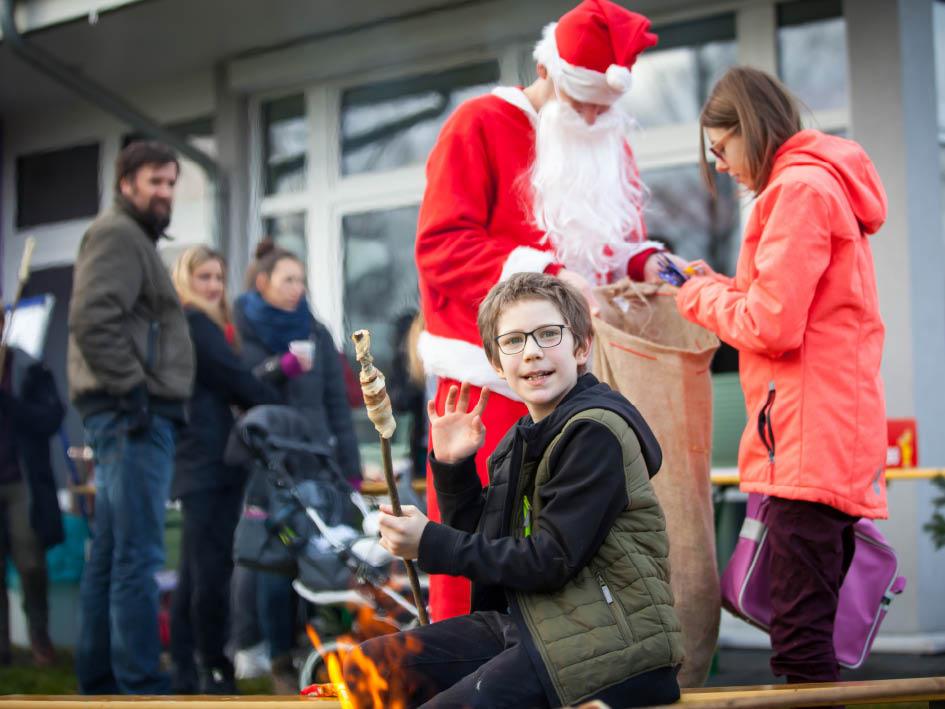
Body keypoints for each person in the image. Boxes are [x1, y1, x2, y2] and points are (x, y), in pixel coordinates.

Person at [414, 0, 686, 620]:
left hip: (585, 380)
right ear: (546, 69)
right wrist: (553, 280)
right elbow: (440, 246)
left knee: (575, 544)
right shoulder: (479, 123)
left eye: (605, 107)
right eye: (584, 101)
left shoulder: (604, 137)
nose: (594, 117)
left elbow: (617, 243)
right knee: (480, 536)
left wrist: (653, 265)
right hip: (493, 381)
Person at [345, 272, 684, 708]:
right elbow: (487, 547)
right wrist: (453, 469)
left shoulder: (596, 432)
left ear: (581, 347)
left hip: (611, 642)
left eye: (548, 334)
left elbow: (549, 559)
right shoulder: (520, 441)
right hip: (533, 626)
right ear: (496, 363)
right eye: (514, 341)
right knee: (366, 671)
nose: (533, 352)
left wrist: (429, 541)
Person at [675, 66, 888, 685]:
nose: (718, 165)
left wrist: (696, 300)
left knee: (798, 645)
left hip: (808, 451)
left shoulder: (796, 192)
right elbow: (778, 305)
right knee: (804, 635)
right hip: (815, 442)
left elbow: (771, 324)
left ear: (752, 127)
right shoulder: (816, 186)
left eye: (721, 148)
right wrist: (710, 286)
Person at [70, 140, 195, 694]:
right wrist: (133, 393)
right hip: (131, 415)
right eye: (154, 182)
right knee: (138, 554)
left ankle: (98, 680)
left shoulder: (132, 238)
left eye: (170, 183)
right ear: (127, 184)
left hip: (127, 412)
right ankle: (140, 683)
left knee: (113, 552)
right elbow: (92, 319)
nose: (165, 193)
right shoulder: (118, 234)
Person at [167, 246, 311, 694]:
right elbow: (234, 378)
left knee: (194, 570)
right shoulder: (194, 322)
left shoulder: (200, 325)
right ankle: (213, 667)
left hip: (205, 461)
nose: (213, 286)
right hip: (208, 462)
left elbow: (233, 379)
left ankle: (188, 670)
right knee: (208, 572)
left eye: (217, 277)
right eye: (203, 277)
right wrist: (272, 394)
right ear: (185, 280)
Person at [233, 239, 361, 692]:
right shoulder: (242, 328)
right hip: (269, 466)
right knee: (276, 558)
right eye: (288, 280)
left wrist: (351, 467)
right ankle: (278, 656)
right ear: (263, 283)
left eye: (301, 280)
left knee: (317, 554)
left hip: (316, 462)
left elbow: (335, 404)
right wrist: (278, 369)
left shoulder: (317, 331)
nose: (297, 288)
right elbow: (239, 389)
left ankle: (313, 647)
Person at [0, 312, 65, 668]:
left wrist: (9, 402)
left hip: (20, 480)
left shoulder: (28, 368)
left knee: (30, 563)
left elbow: (50, 419)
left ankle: (39, 636)